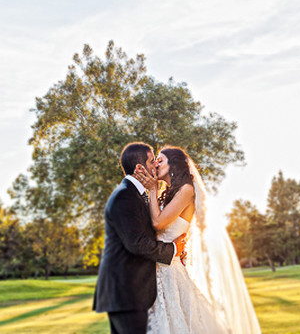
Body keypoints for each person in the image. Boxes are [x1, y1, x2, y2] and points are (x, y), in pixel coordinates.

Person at [134, 146, 262, 334]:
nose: (156, 164)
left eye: (160, 160)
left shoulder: (187, 190)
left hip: (169, 270)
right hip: (156, 267)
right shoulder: (167, 194)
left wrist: (152, 189)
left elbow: (158, 222)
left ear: (174, 164)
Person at [93, 142, 187, 334]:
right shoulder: (125, 196)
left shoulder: (134, 194)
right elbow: (137, 244)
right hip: (125, 294)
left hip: (131, 293)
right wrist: (174, 248)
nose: (156, 166)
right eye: (153, 161)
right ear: (139, 168)